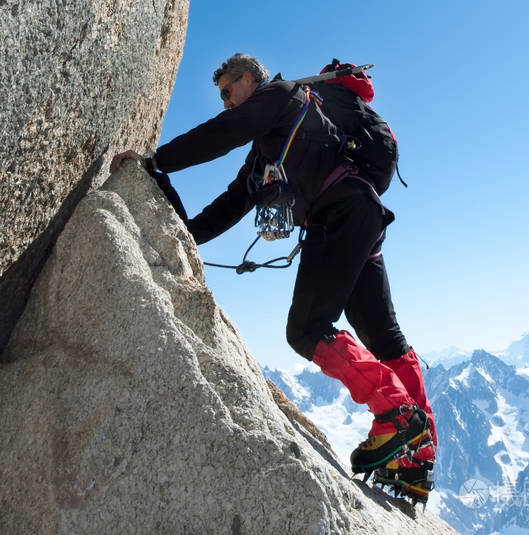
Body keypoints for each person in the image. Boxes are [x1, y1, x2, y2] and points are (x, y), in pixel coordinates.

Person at [110, 53, 436, 501]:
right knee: (386, 338)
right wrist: (179, 237)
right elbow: (228, 207)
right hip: (361, 215)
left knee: (305, 330)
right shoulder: (266, 150)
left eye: (227, 90)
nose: (225, 102)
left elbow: (220, 135)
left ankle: (398, 416)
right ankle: (417, 458)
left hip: (339, 215)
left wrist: (156, 161)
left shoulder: (281, 97)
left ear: (249, 78)